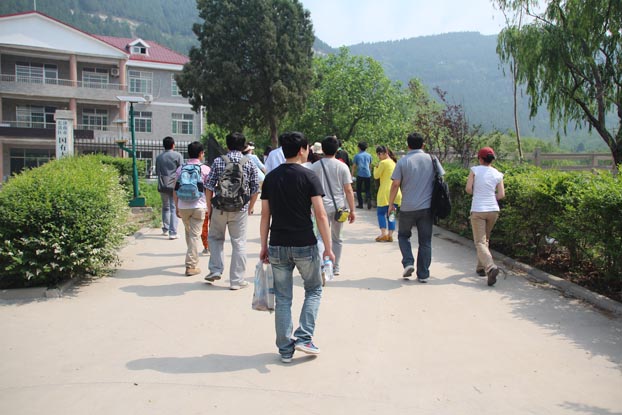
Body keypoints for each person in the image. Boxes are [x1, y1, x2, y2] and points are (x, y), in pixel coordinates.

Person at [260, 131, 334, 364]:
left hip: (277, 244)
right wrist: (328, 248)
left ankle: (285, 349)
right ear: (302, 149)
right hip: (304, 243)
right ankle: (304, 337)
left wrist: (263, 245)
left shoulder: (271, 178)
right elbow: (320, 214)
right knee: (314, 289)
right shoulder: (309, 176)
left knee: (283, 298)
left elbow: (265, 215)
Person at [204, 132, 260, 290]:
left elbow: (209, 186)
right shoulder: (249, 163)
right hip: (239, 208)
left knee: (215, 238)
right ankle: (236, 280)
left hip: (219, 207)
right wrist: (250, 207)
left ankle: (215, 269)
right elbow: (255, 189)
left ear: (227, 145)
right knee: (239, 242)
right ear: (244, 146)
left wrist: (209, 207)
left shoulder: (218, 161)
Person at [388, 132, 444, 283]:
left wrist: (391, 204)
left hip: (407, 207)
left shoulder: (403, 161)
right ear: (423, 145)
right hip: (427, 208)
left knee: (403, 236)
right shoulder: (432, 159)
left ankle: (408, 262)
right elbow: (441, 178)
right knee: (425, 241)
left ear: (408, 145)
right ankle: (423, 274)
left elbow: (395, 184)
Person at [310, 135, 356, 276]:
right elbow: (348, 190)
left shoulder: (314, 167)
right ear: (337, 149)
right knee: (337, 238)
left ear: (322, 149)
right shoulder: (342, 166)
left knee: (320, 237)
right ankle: (335, 266)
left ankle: (322, 264)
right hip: (339, 208)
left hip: (320, 207)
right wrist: (352, 210)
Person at [465, 146, 505, 287]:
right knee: (485, 239)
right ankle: (481, 268)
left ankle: (490, 267)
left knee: (480, 242)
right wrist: (491, 197)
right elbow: (501, 195)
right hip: (493, 210)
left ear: (480, 159)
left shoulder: (475, 170)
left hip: (478, 209)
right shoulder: (498, 174)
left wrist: (477, 193)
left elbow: (468, 189)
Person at [173, 141, 210, 276]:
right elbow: (209, 190)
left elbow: (175, 189)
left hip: (183, 206)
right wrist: (209, 207)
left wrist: (177, 206)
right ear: (201, 154)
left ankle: (192, 258)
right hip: (199, 206)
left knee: (189, 233)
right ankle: (191, 266)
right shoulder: (205, 169)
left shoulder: (180, 169)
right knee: (194, 235)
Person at [155, 136, 183, 239]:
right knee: (173, 207)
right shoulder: (178, 155)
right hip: (174, 185)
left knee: (165, 207)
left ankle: (165, 229)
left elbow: (157, 171)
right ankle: (173, 232)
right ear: (173, 145)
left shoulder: (159, 157)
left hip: (162, 184)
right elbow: (181, 171)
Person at [374, 145, 401, 242]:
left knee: (381, 213)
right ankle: (390, 235)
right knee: (392, 214)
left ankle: (383, 234)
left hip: (385, 192)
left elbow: (376, 176)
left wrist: (375, 167)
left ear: (385, 153)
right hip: (396, 192)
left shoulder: (383, 163)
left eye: (379, 154)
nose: (378, 156)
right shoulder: (395, 162)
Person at [352, 141, 373, 210]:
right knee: (368, 189)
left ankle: (360, 204)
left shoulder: (357, 156)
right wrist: (370, 172)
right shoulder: (369, 155)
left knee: (358, 190)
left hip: (360, 174)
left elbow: (354, 166)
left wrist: (352, 175)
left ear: (359, 148)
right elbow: (370, 165)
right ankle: (369, 199)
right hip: (367, 174)